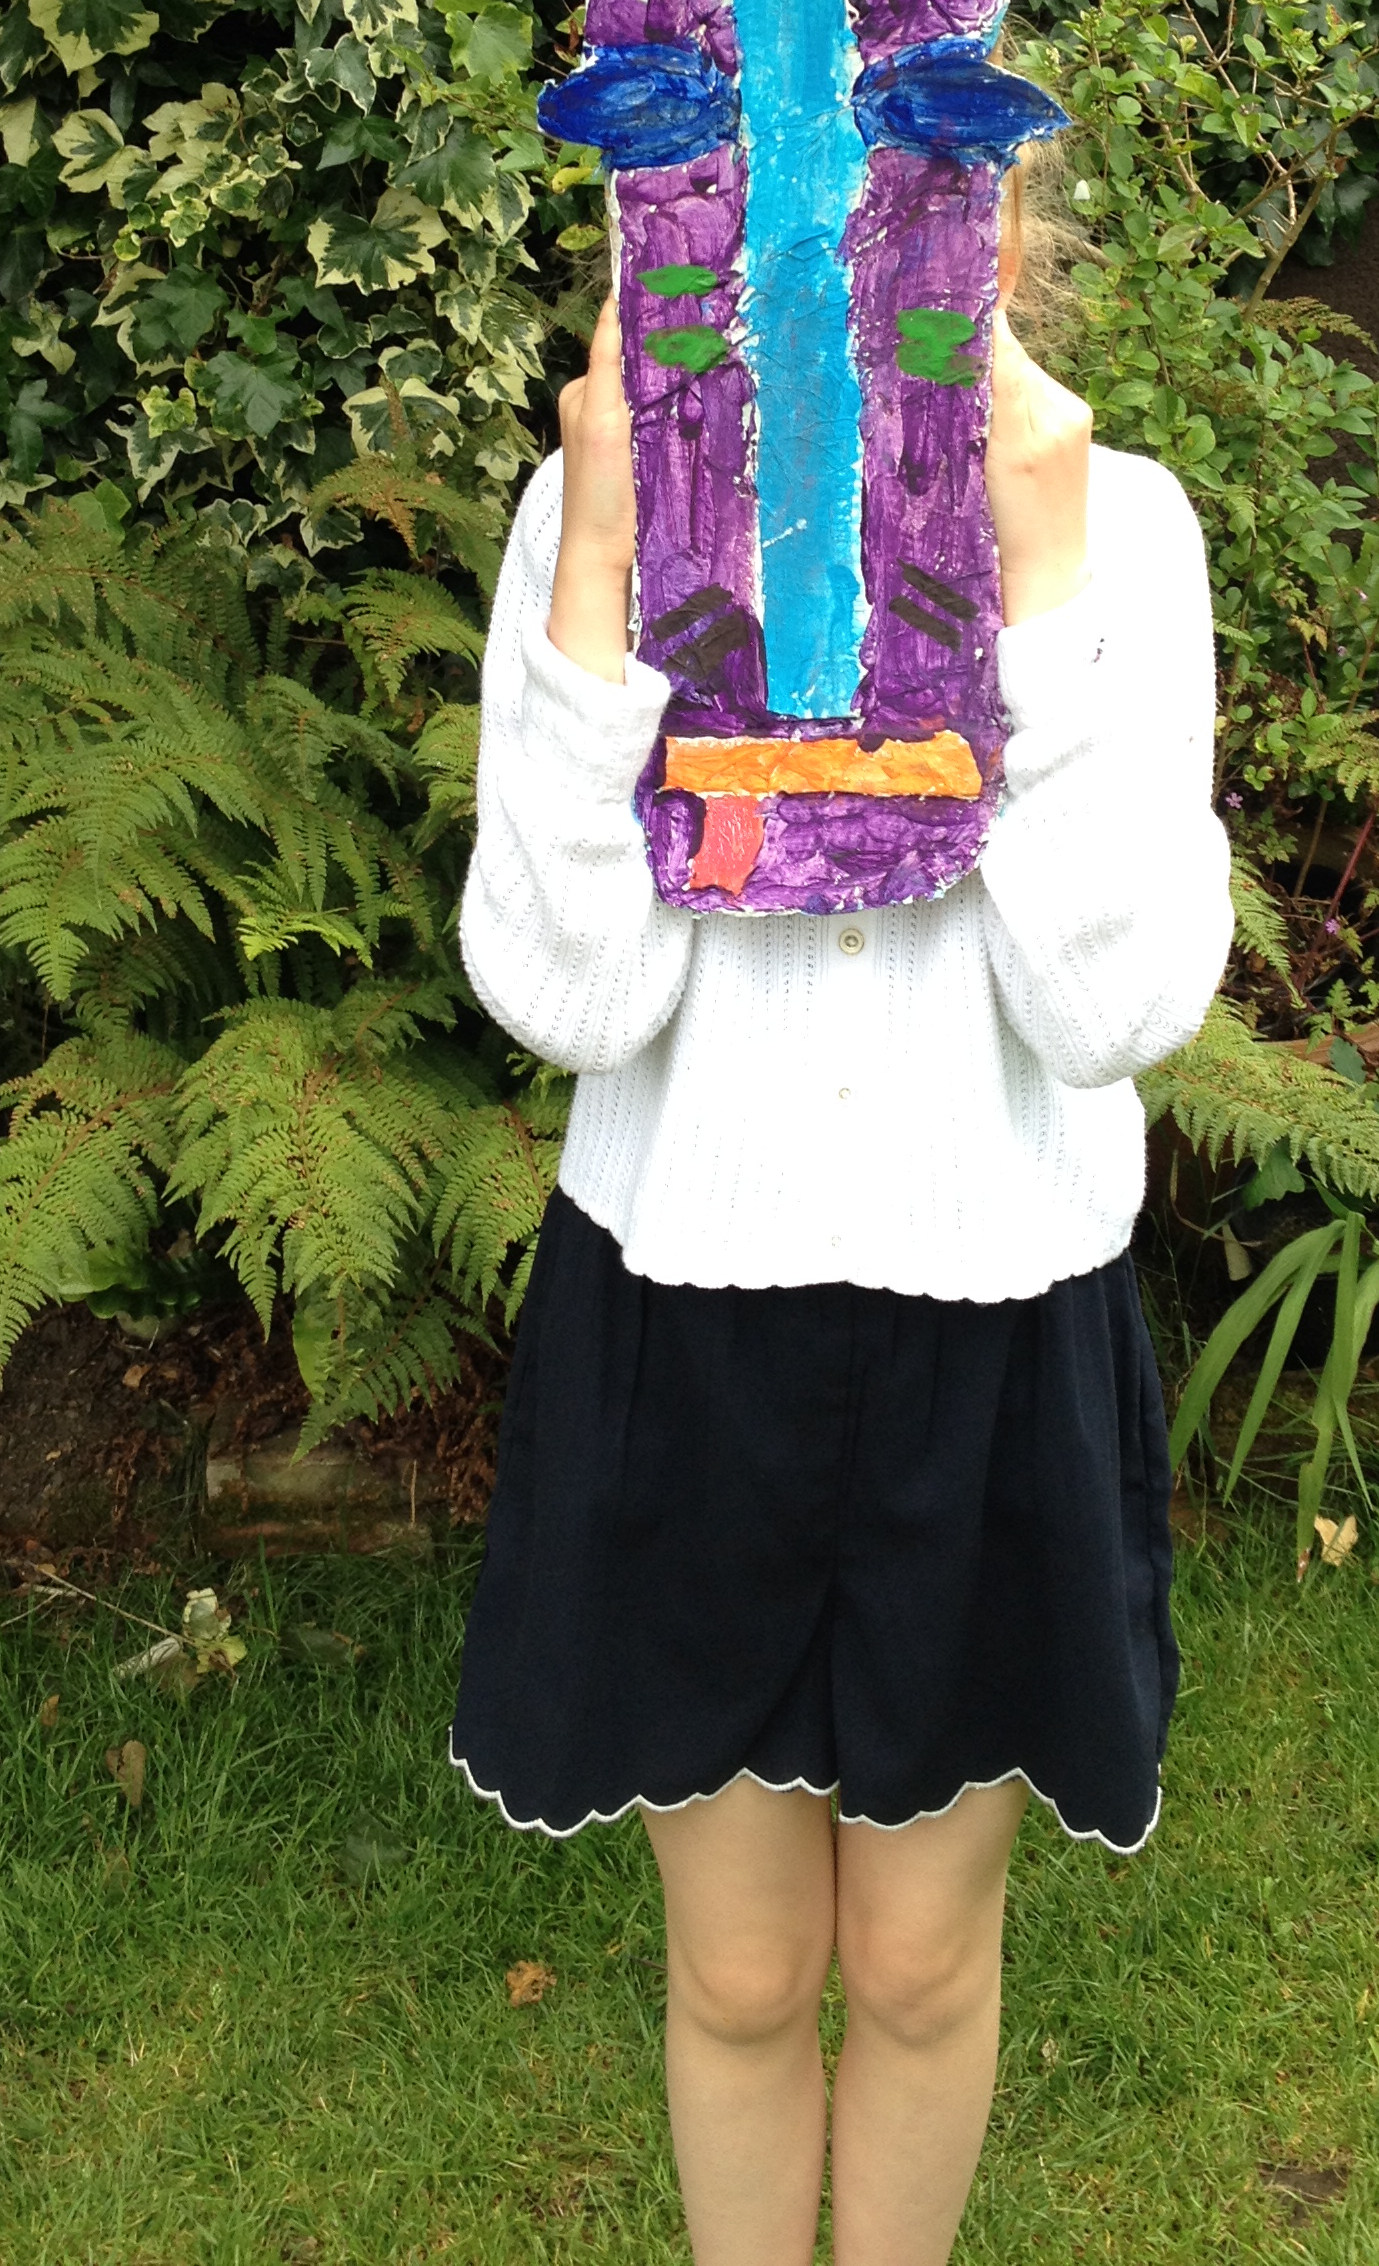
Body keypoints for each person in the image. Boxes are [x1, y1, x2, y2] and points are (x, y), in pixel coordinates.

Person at [449, 169, 1234, 2266]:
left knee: (915, 1960)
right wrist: (600, 555)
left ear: (1002, 230)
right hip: (686, 1313)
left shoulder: (1123, 530)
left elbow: (1113, 1012)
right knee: (737, 1974)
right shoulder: (601, 518)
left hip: (995, 1317)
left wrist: (1041, 592)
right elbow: (569, 996)